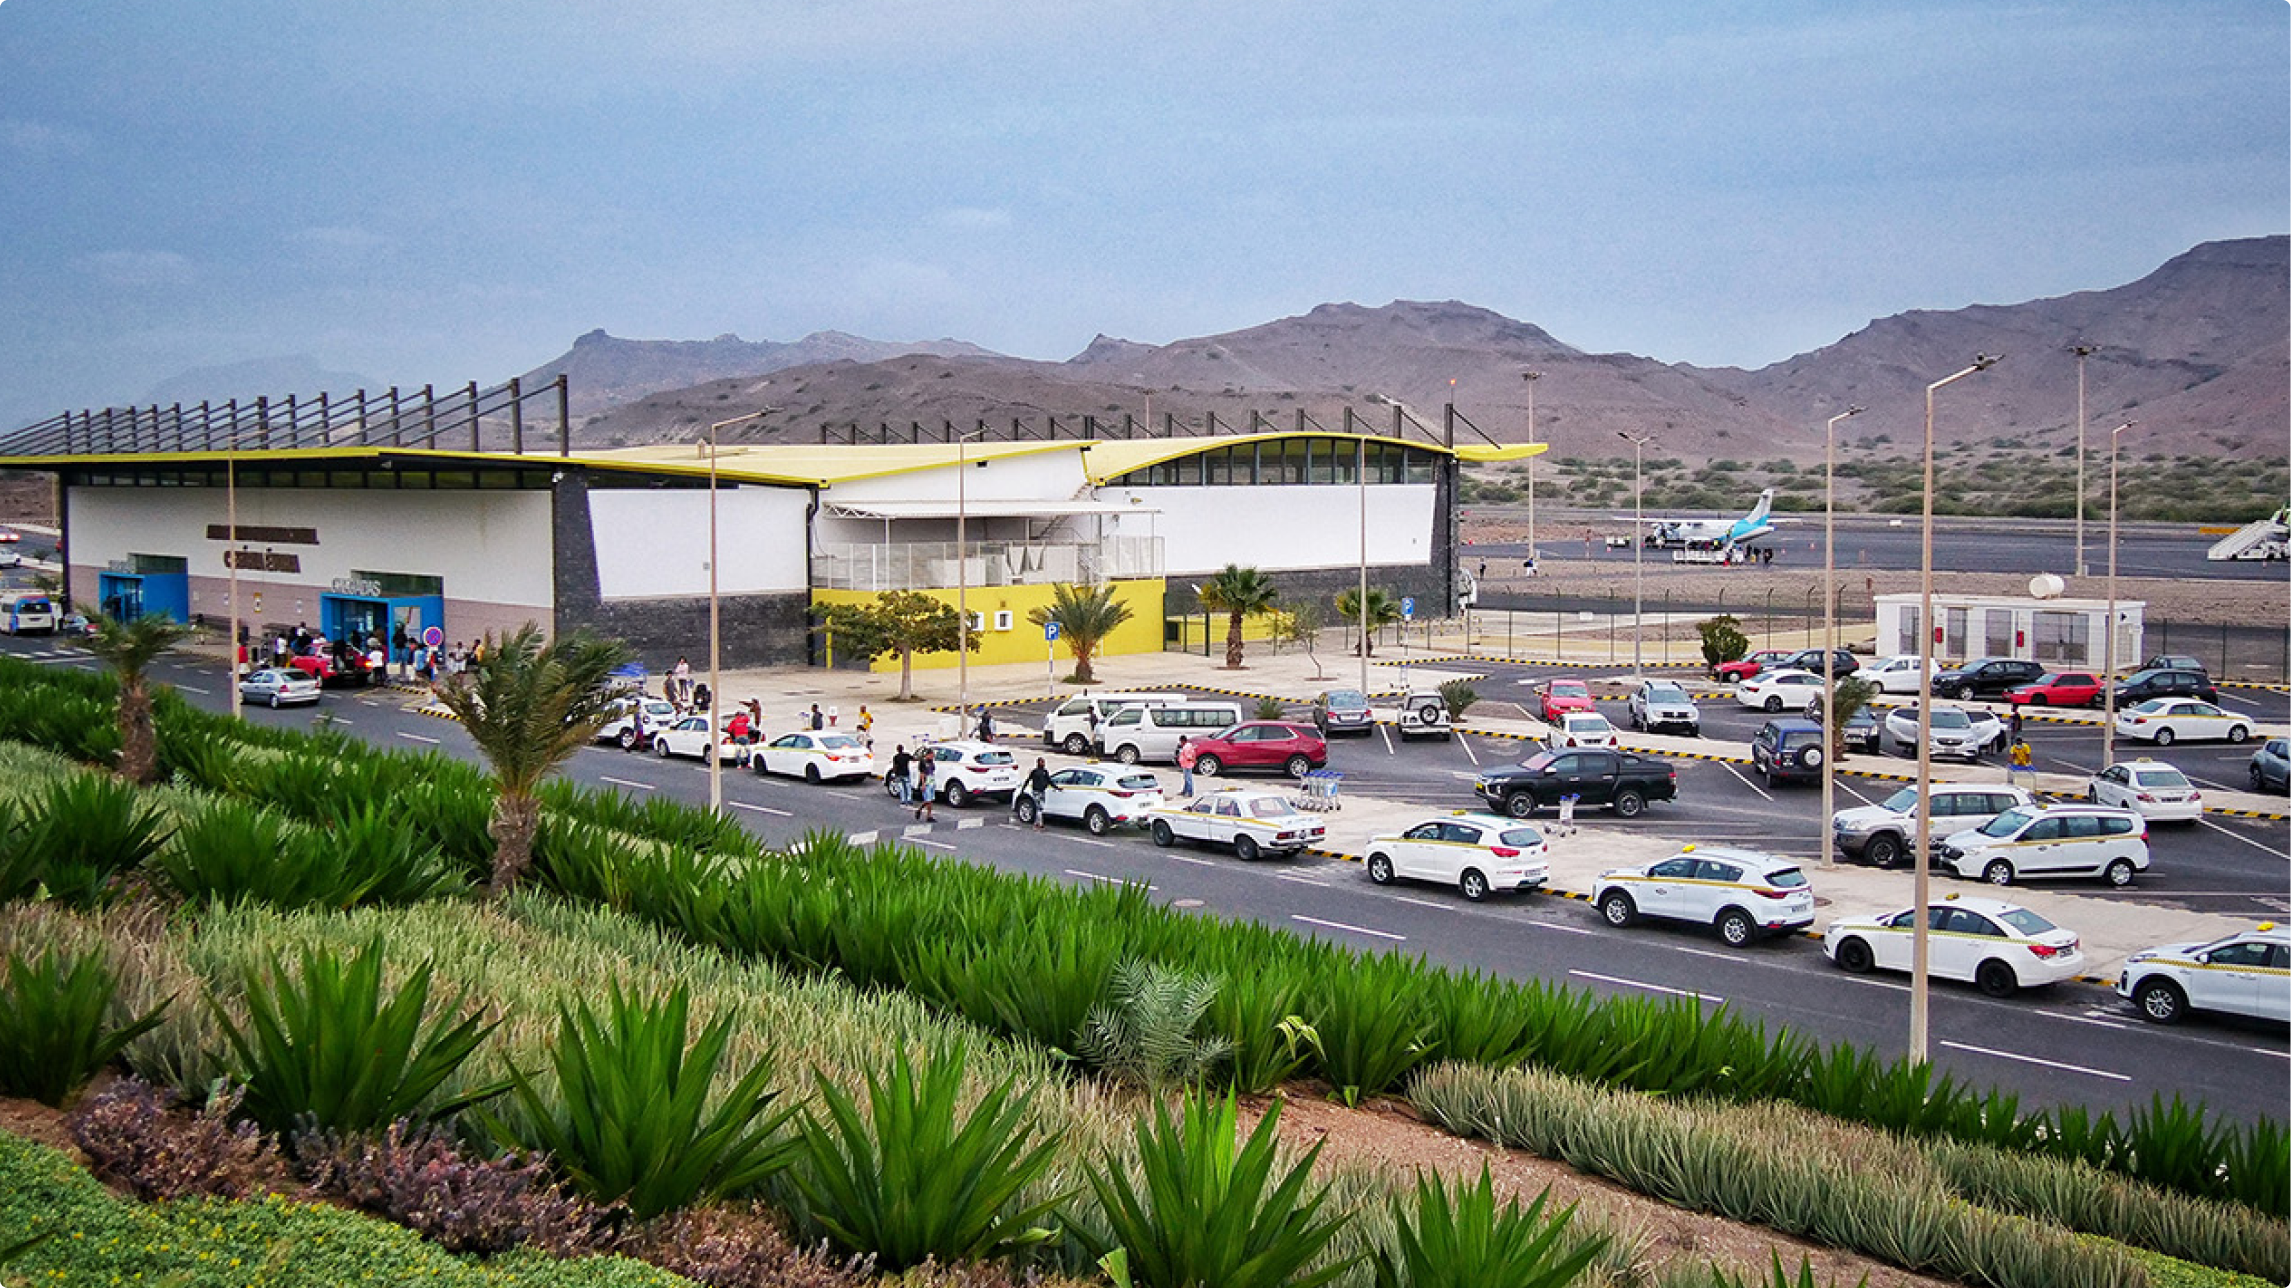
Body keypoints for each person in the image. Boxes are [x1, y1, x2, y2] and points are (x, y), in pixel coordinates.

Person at [1020, 757, 1053, 829]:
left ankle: (1037, 822)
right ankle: (1039, 823)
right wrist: (1023, 789)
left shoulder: (1045, 772)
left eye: (1044, 762)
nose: (1044, 764)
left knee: (1040, 807)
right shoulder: (1035, 772)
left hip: (1042, 791)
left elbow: (1049, 781)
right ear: (1038, 763)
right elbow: (1028, 780)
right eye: (1042, 762)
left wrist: (1056, 788)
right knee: (1039, 807)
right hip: (1036, 792)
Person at [912, 754, 936, 821]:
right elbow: (922, 774)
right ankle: (928, 816)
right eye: (931, 755)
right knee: (928, 800)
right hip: (926, 782)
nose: (932, 757)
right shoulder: (923, 762)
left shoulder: (931, 762)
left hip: (931, 781)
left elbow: (932, 771)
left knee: (929, 800)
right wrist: (923, 784)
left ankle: (921, 811)